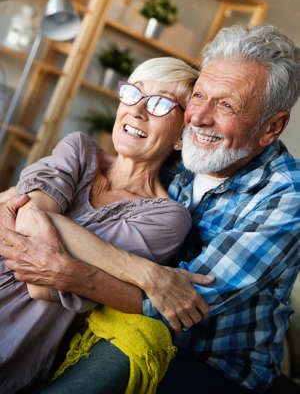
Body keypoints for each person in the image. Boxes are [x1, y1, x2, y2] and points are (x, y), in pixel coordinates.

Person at [1, 24, 300, 393]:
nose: (199, 117)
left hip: (211, 361)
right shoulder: (178, 156)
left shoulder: (287, 197)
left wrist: (60, 270)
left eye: (226, 105)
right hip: (115, 317)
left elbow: (181, 305)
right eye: (200, 96)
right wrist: (16, 203)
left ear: (272, 126)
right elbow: (26, 199)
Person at [0, 57, 208, 394]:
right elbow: (26, 215)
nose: (137, 111)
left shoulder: (167, 218)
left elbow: (42, 282)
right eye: (133, 94)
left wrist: (13, 206)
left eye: (159, 104)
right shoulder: (79, 148)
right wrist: (144, 271)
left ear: (183, 136)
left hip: (12, 339)